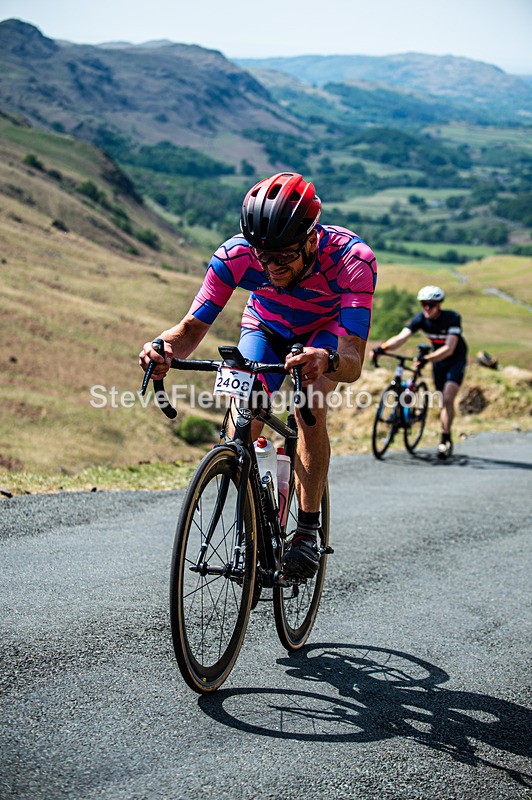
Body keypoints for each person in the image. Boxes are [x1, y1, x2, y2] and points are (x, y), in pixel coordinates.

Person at [139, 171, 377, 578]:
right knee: (242, 416)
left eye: (283, 256)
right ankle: (251, 502)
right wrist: (162, 350)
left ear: (311, 239)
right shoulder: (235, 256)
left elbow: (353, 357)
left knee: (309, 408)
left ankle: (305, 529)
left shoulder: (353, 261)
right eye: (262, 256)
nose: (270, 267)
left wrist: (328, 360)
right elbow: (192, 328)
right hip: (264, 327)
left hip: (325, 335)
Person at [372, 285, 467, 460]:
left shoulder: (452, 318)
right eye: (424, 304)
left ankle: (445, 438)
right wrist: (382, 348)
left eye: (431, 304)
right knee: (441, 402)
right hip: (437, 361)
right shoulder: (420, 319)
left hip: (455, 359)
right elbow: (401, 337)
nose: (427, 308)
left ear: (439, 304)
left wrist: (427, 359)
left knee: (447, 398)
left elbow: (450, 348)